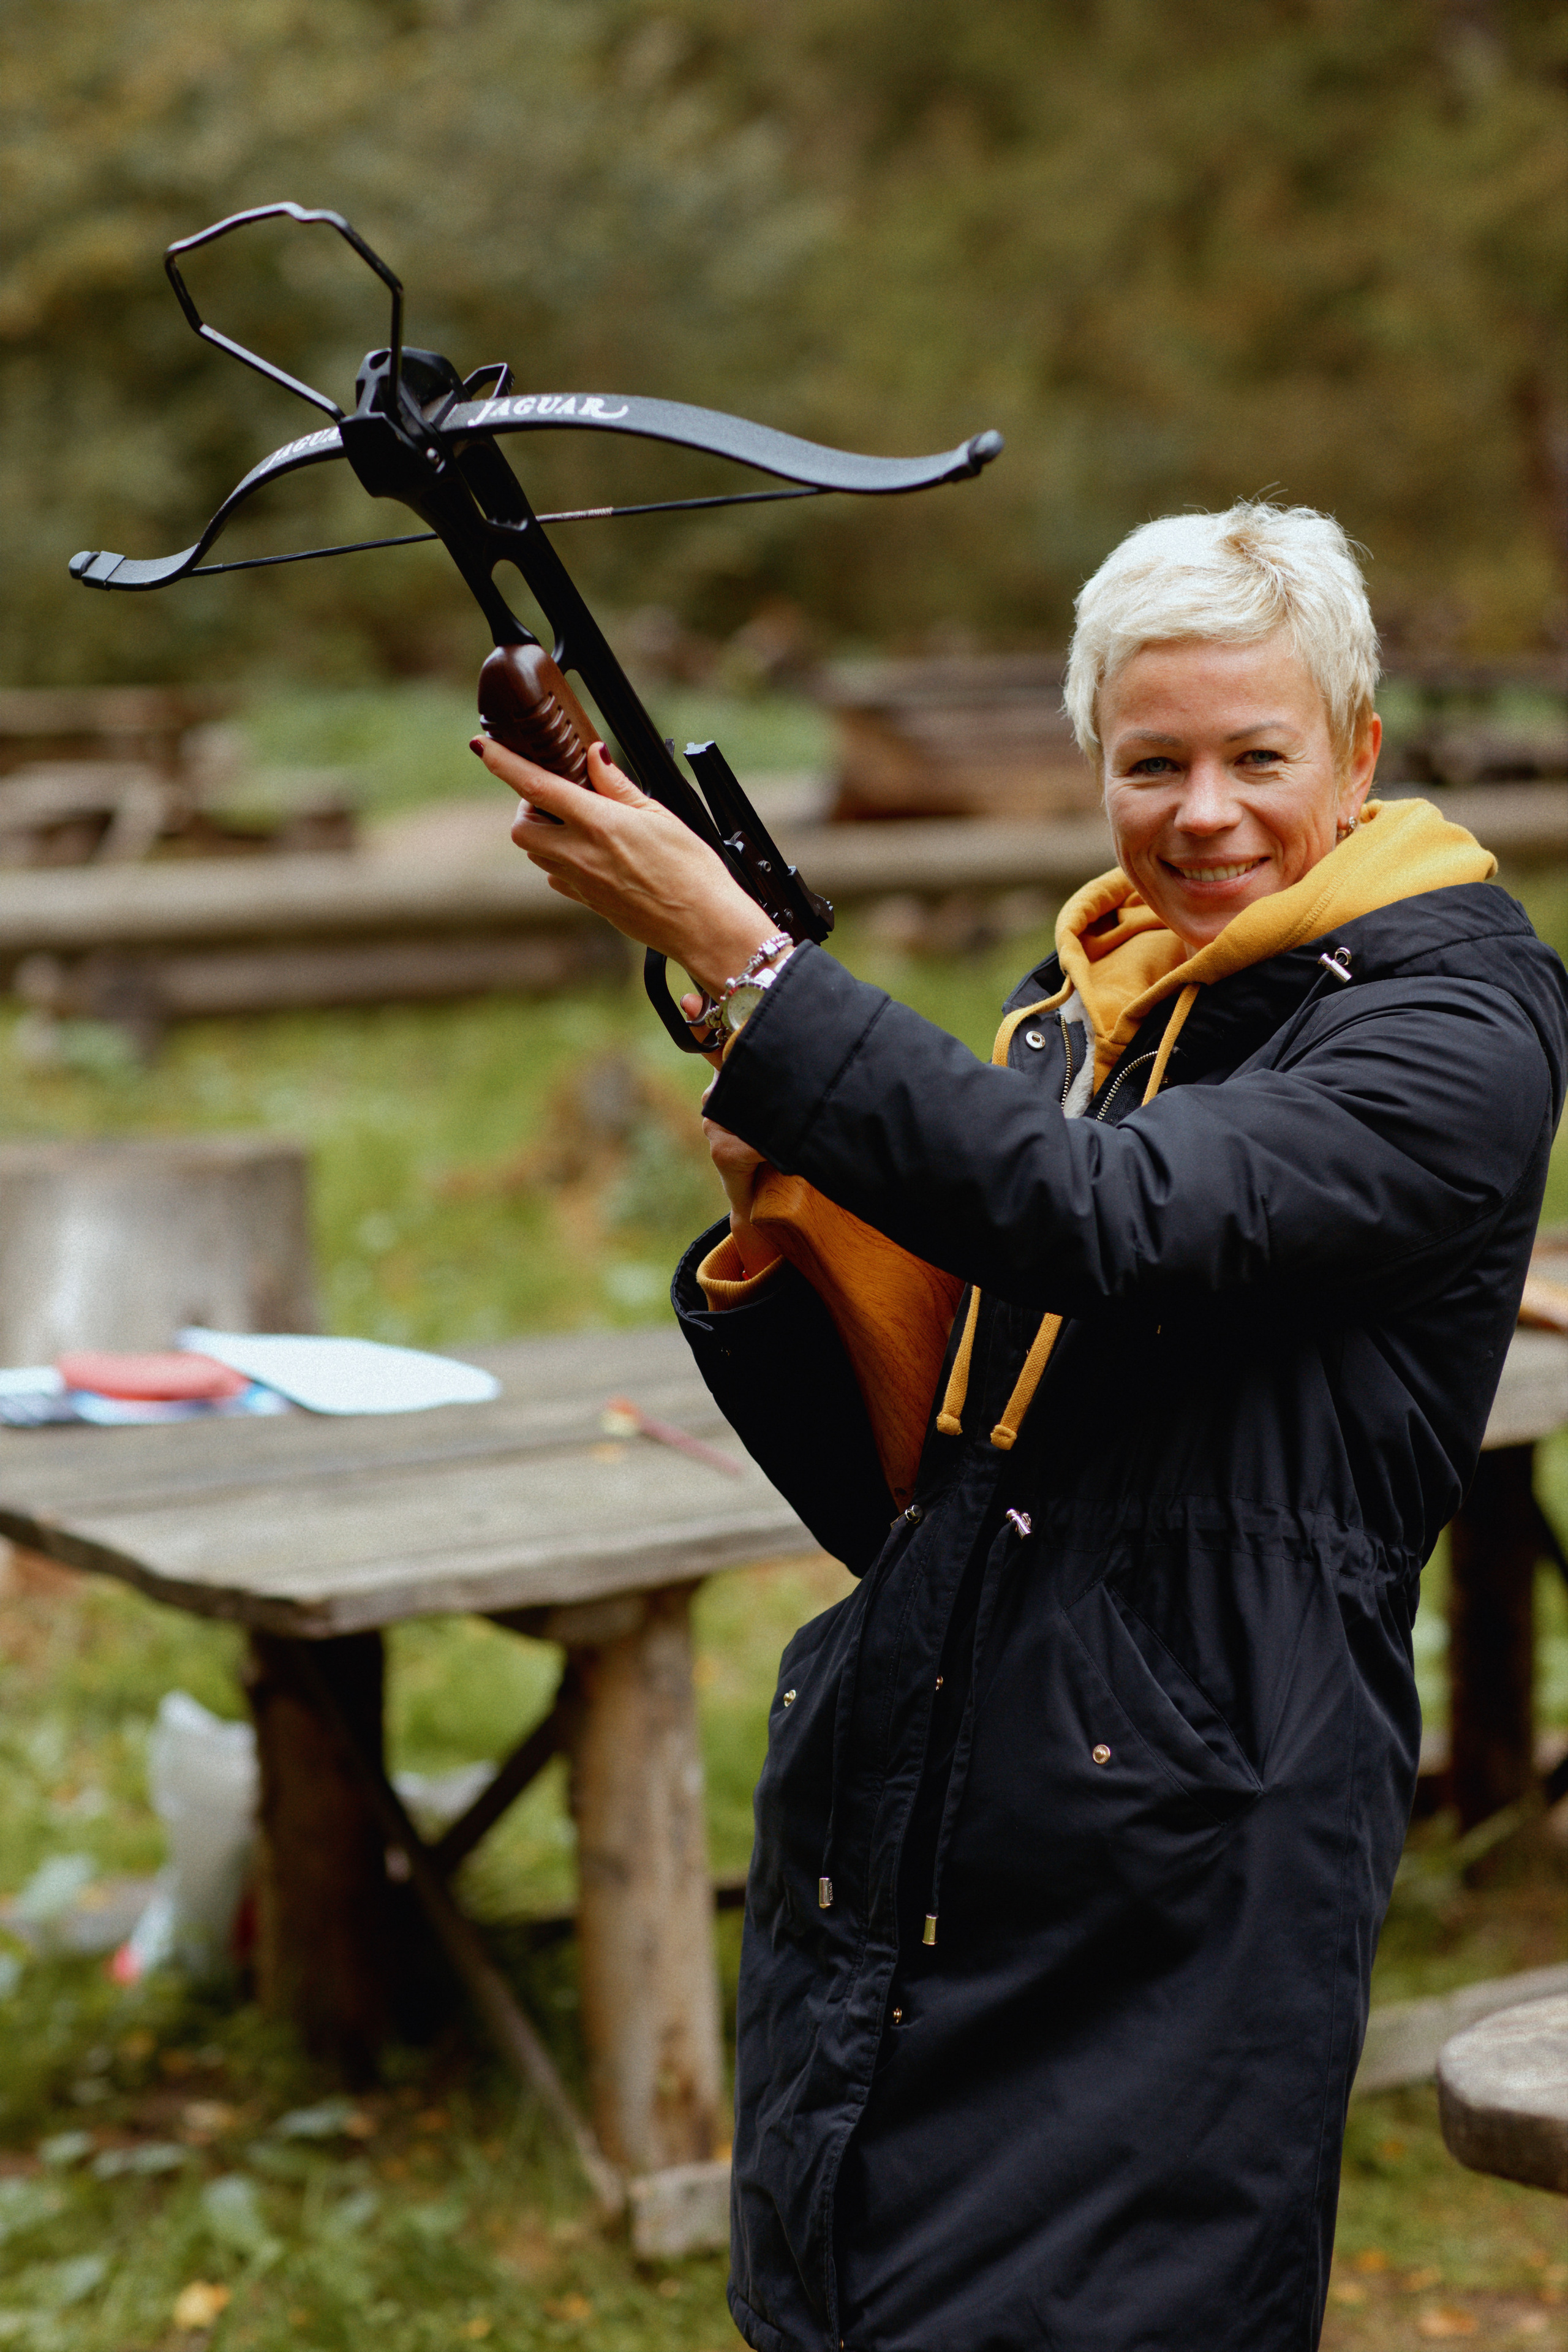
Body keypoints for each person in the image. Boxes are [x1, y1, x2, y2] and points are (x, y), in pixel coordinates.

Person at [471, 502, 1568, 2352]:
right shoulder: (1074, 1018)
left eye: (1255, 758)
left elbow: (1117, 1220)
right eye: (1154, 762)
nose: (1200, 810)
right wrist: (788, 1224)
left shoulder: (1453, 1024)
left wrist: (754, 969)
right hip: (933, 1814)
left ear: (1360, 754)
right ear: (1097, 767)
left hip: (1192, 1859)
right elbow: (918, 1492)